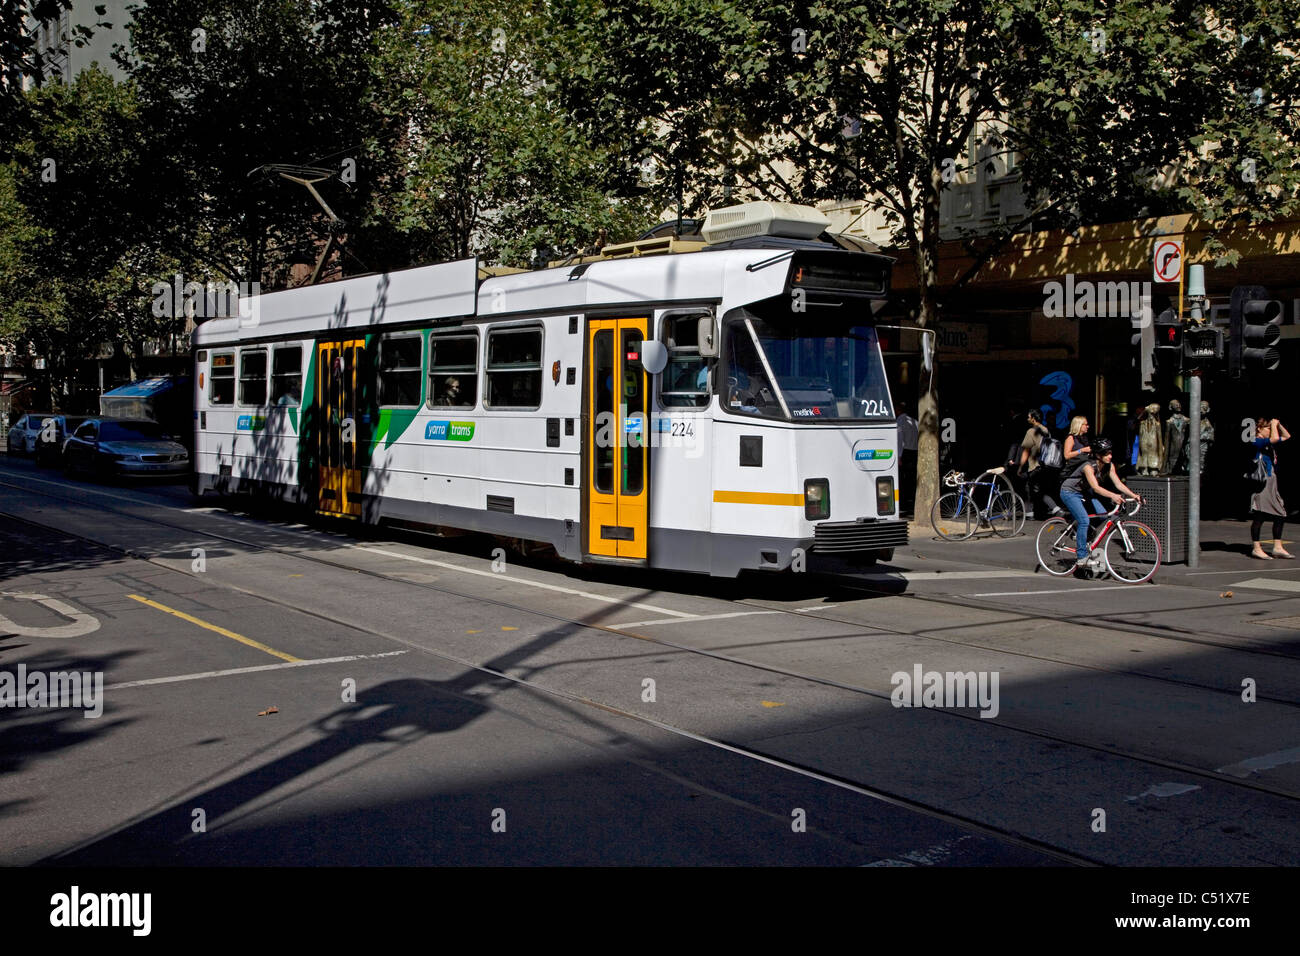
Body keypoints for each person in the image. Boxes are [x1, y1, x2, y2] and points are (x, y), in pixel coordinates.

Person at [1059, 437, 1141, 569]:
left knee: (1103, 515)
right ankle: (1081, 557)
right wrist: (1113, 496)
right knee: (1084, 520)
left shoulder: (1109, 465)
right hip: (1069, 492)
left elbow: (1118, 483)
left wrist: (1134, 495)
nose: (1110, 456)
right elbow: (1096, 488)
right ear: (1098, 455)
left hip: (1084, 493)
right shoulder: (1088, 466)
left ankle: (1083, 535)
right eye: (1106, 453)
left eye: (1110, 453)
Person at [1249, 417, 1292, 560]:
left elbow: (1286, 436)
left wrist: (1278, 425)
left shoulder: (1268, 442)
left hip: (1272, 480)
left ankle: (1278, 547)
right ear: (1259, 429)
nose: (1271, 430)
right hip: (1262, 482)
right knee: (1259, 515)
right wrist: (1274, 425)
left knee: (1280, 513)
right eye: (1267, 428)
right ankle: (1256, 548)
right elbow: (1274, 438)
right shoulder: (1256, 441)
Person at [1017, 408, 1059, 520]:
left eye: (1029, 416)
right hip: (1045, 464)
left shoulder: (1031, 431)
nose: (1027, 418)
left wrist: (1020, 466)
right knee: (1038, 488)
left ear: (1033, 418)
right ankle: (1048, 510)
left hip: (1035, 465)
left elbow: (1026, 450)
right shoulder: (1045, 430)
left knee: (1029, 488)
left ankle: (1054, 509)